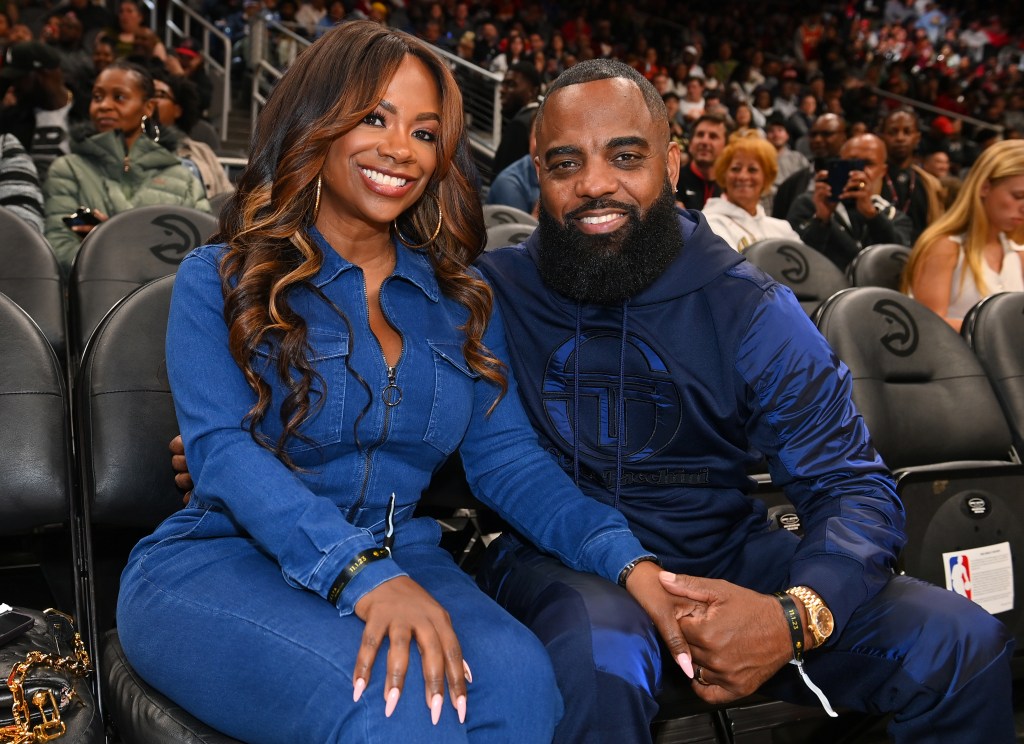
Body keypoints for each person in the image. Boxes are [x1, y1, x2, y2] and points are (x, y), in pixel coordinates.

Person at [121, 23, 688, 744]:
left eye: (424, 132)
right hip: (225, 557)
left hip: (403, 555)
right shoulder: (220, 278)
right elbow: (224, 455)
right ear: (317, 122)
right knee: (397, 707)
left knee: (523, 687)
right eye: (374, 119)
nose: (401, 150)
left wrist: (629, 562)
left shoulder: (460, 301)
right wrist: (360, 573)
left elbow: (510, 463)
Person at [471, 58, 1013, 744]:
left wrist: (795, 617)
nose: (595, 183)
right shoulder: (493, 293)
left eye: (626, 157)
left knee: (960, 641)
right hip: (558, 560)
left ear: (672, 165)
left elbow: (851, 486)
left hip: (719, 558)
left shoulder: (750, 306)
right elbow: (501, 464)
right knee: (600, 652)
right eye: (565, 163)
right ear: (537, 173)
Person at [43, 60, 209, 271]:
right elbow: (60, 249)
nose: (104, 106)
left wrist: (110, 238)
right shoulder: (67, 169)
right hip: (93, 290)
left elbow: (202, 257)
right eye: (97, 97)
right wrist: (145, 252)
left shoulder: (183, 178)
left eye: (119, 97)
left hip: (165, 293)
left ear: (148, 107)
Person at [901, 139, 1024, 331]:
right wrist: (1001, 334)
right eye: (1018, 196)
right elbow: (929, 325)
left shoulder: (1017, 251)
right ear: (984, 187)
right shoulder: (945, 247)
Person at [787, 133, 913, 271]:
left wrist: (873, 216)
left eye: (868, 164)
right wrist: (821, 220)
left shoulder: (894, 217)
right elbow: (794, 261)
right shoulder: (809, 204)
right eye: (851, 163)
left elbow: (899, 263)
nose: (859, 172)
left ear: (883, 171)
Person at [702, 133, 802, 252]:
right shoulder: (708, 224)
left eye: (752, 170)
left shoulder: (782, 229)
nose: (743, 176)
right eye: (735, 169)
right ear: (724, 174)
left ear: (766, 177)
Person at [151, 72, 233, 199]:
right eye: (146, 95)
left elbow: (228, 198)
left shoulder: (202, 151)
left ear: (178, 110)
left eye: (159, 95)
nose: (151, 101)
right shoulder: (129, 149)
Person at [878, 108, 944, 243]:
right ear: (882, 136)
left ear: (917, 137)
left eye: (907, 132)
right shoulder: (873, 178)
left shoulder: (930, 184)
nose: (900, 138)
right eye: (893, 132)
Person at [675, 112, 727, 210]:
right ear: (690, 144)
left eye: (713, 136)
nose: (705, 141)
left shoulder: (730, 186)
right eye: (700, 135)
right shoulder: (672, 182)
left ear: (726, 147)